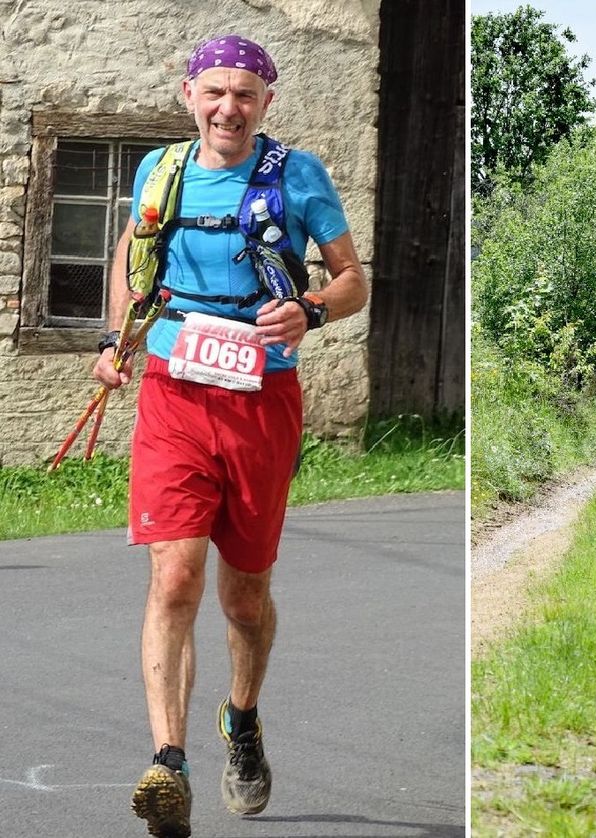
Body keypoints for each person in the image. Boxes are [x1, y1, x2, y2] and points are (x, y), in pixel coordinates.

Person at [95, 35, 369, 837]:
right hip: (175, 392)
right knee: (174, 579)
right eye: (214, 92)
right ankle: (168, 764)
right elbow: (132, 261)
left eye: (244, 94)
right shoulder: (162, 171)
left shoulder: (298, 175)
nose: (228, 107)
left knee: (243, 596)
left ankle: (241, 720)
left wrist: (314, 308)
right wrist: (119, 340)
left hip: (261, 396)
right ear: (189, 95)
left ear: (266, 103)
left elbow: (353, 277)